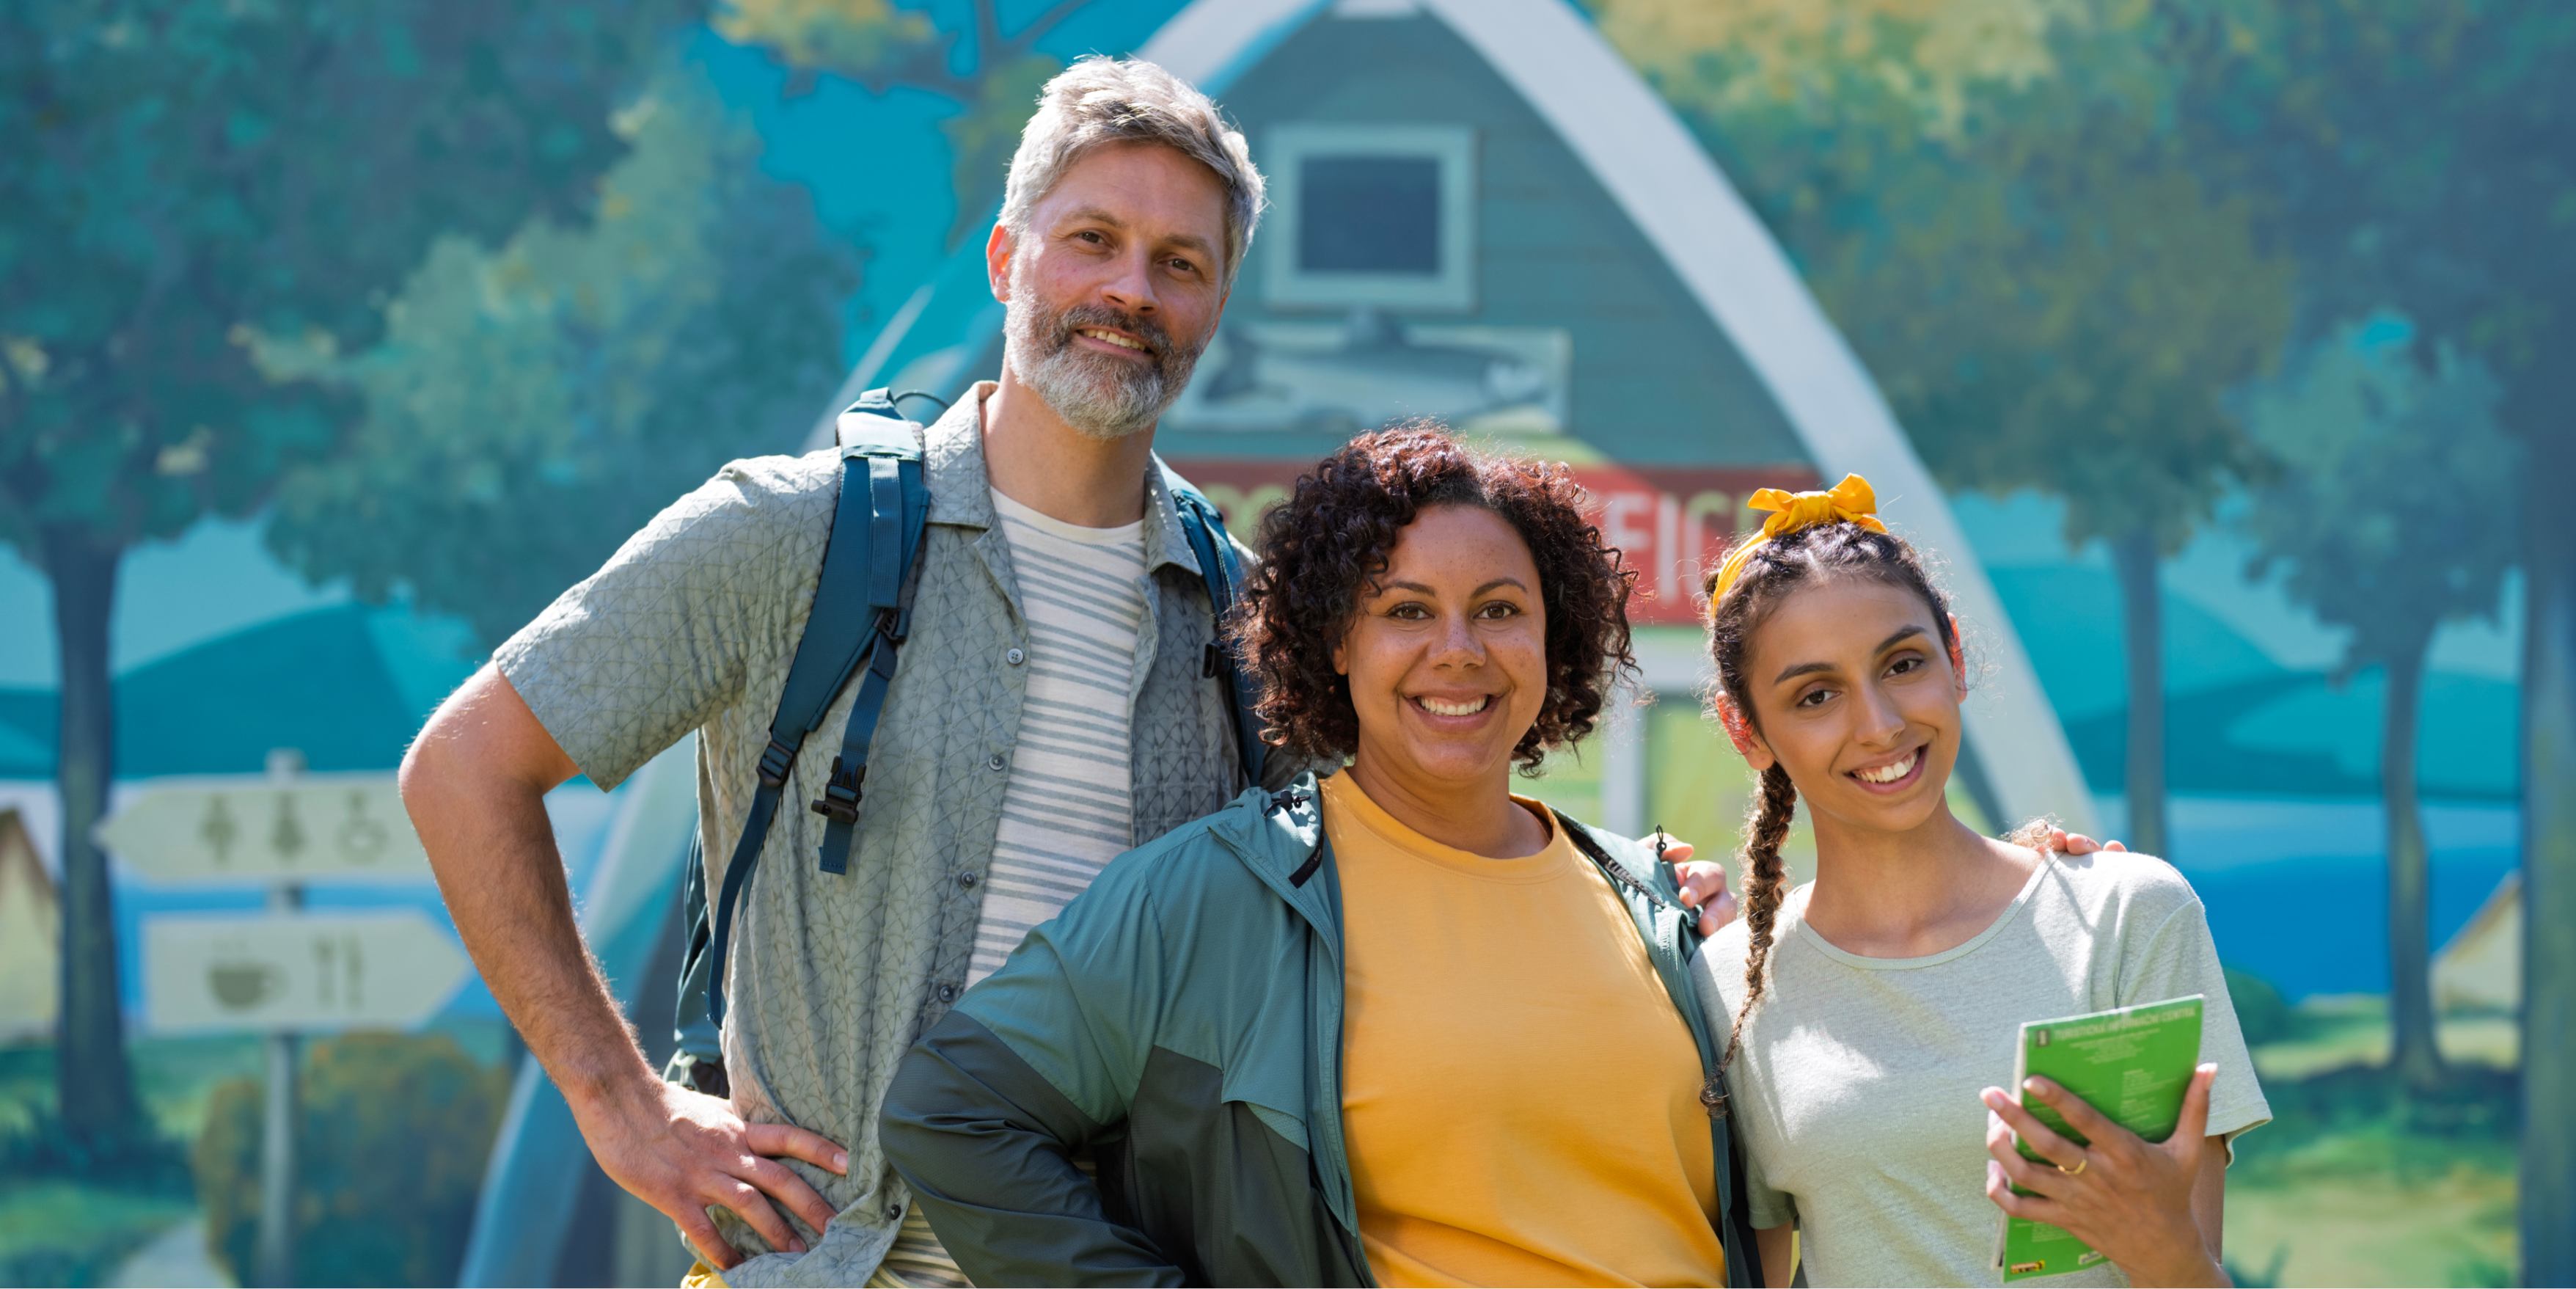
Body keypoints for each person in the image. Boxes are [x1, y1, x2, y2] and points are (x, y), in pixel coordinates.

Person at [400, 56, 1739, 1289]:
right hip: (816, 1262)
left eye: (1179, 263)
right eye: (1093, 240)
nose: (1131, 292)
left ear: (1215, 305)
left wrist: (1624, 883)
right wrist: (621, 1105)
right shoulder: (789, 537)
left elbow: (1394, 841)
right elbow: (465, 769)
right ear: (1004, 256)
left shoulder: (1240, 619)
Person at [879, 428, 1763, 1288]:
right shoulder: (1218, 892)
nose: (1458, 649)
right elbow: (951, 1111)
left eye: (1498, 609)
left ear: (1549, 631)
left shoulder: (1651, 897)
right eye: (1406, 610)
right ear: (1337, 642)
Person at [1689, 478, 2272, 1288]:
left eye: (1903, 663)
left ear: (1954, 656)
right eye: (1816, 694)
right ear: (1745, 728)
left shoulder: (2128, 915)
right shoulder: (1730, 985)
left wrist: (2152, 1238)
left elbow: (2194, 1264)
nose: (1882, 723)